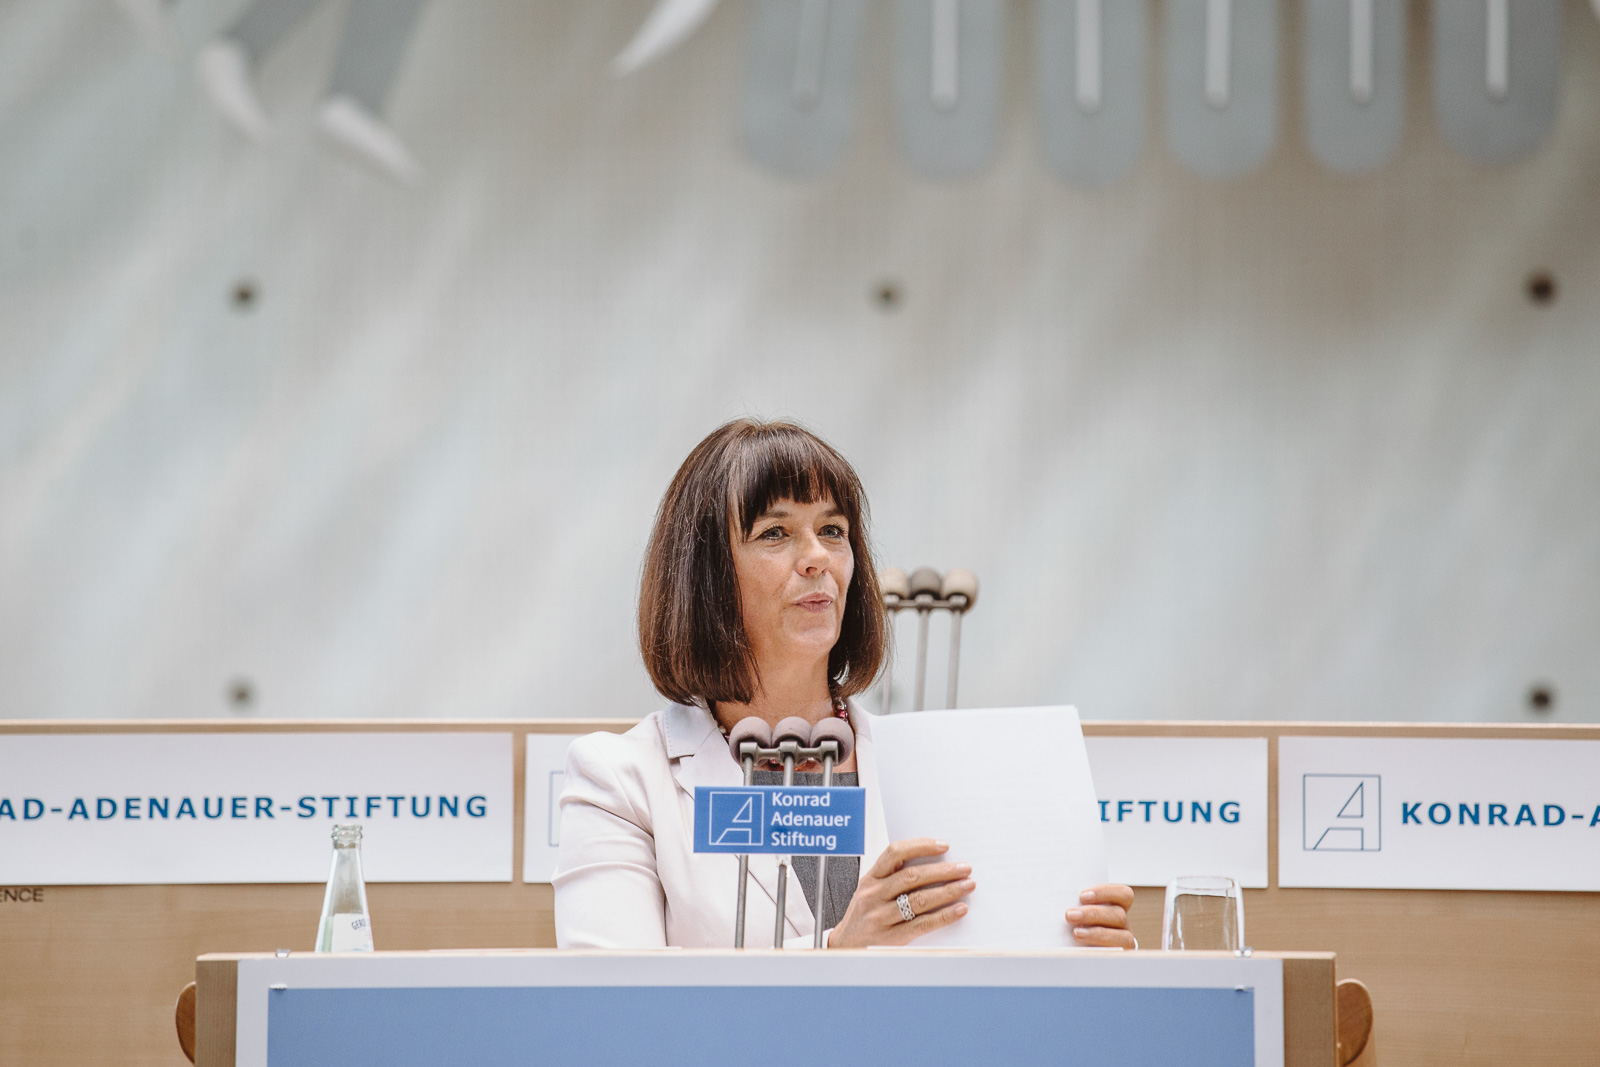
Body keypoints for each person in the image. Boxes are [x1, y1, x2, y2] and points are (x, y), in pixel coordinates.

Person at [553, 418, 1135, 949]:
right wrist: (838, 955)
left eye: (833, 530)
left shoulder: (944, 768)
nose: (816, 559)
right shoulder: (620, 782)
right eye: (775, 533)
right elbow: (617, 1017)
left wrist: (1088, 955)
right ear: (705, 576)